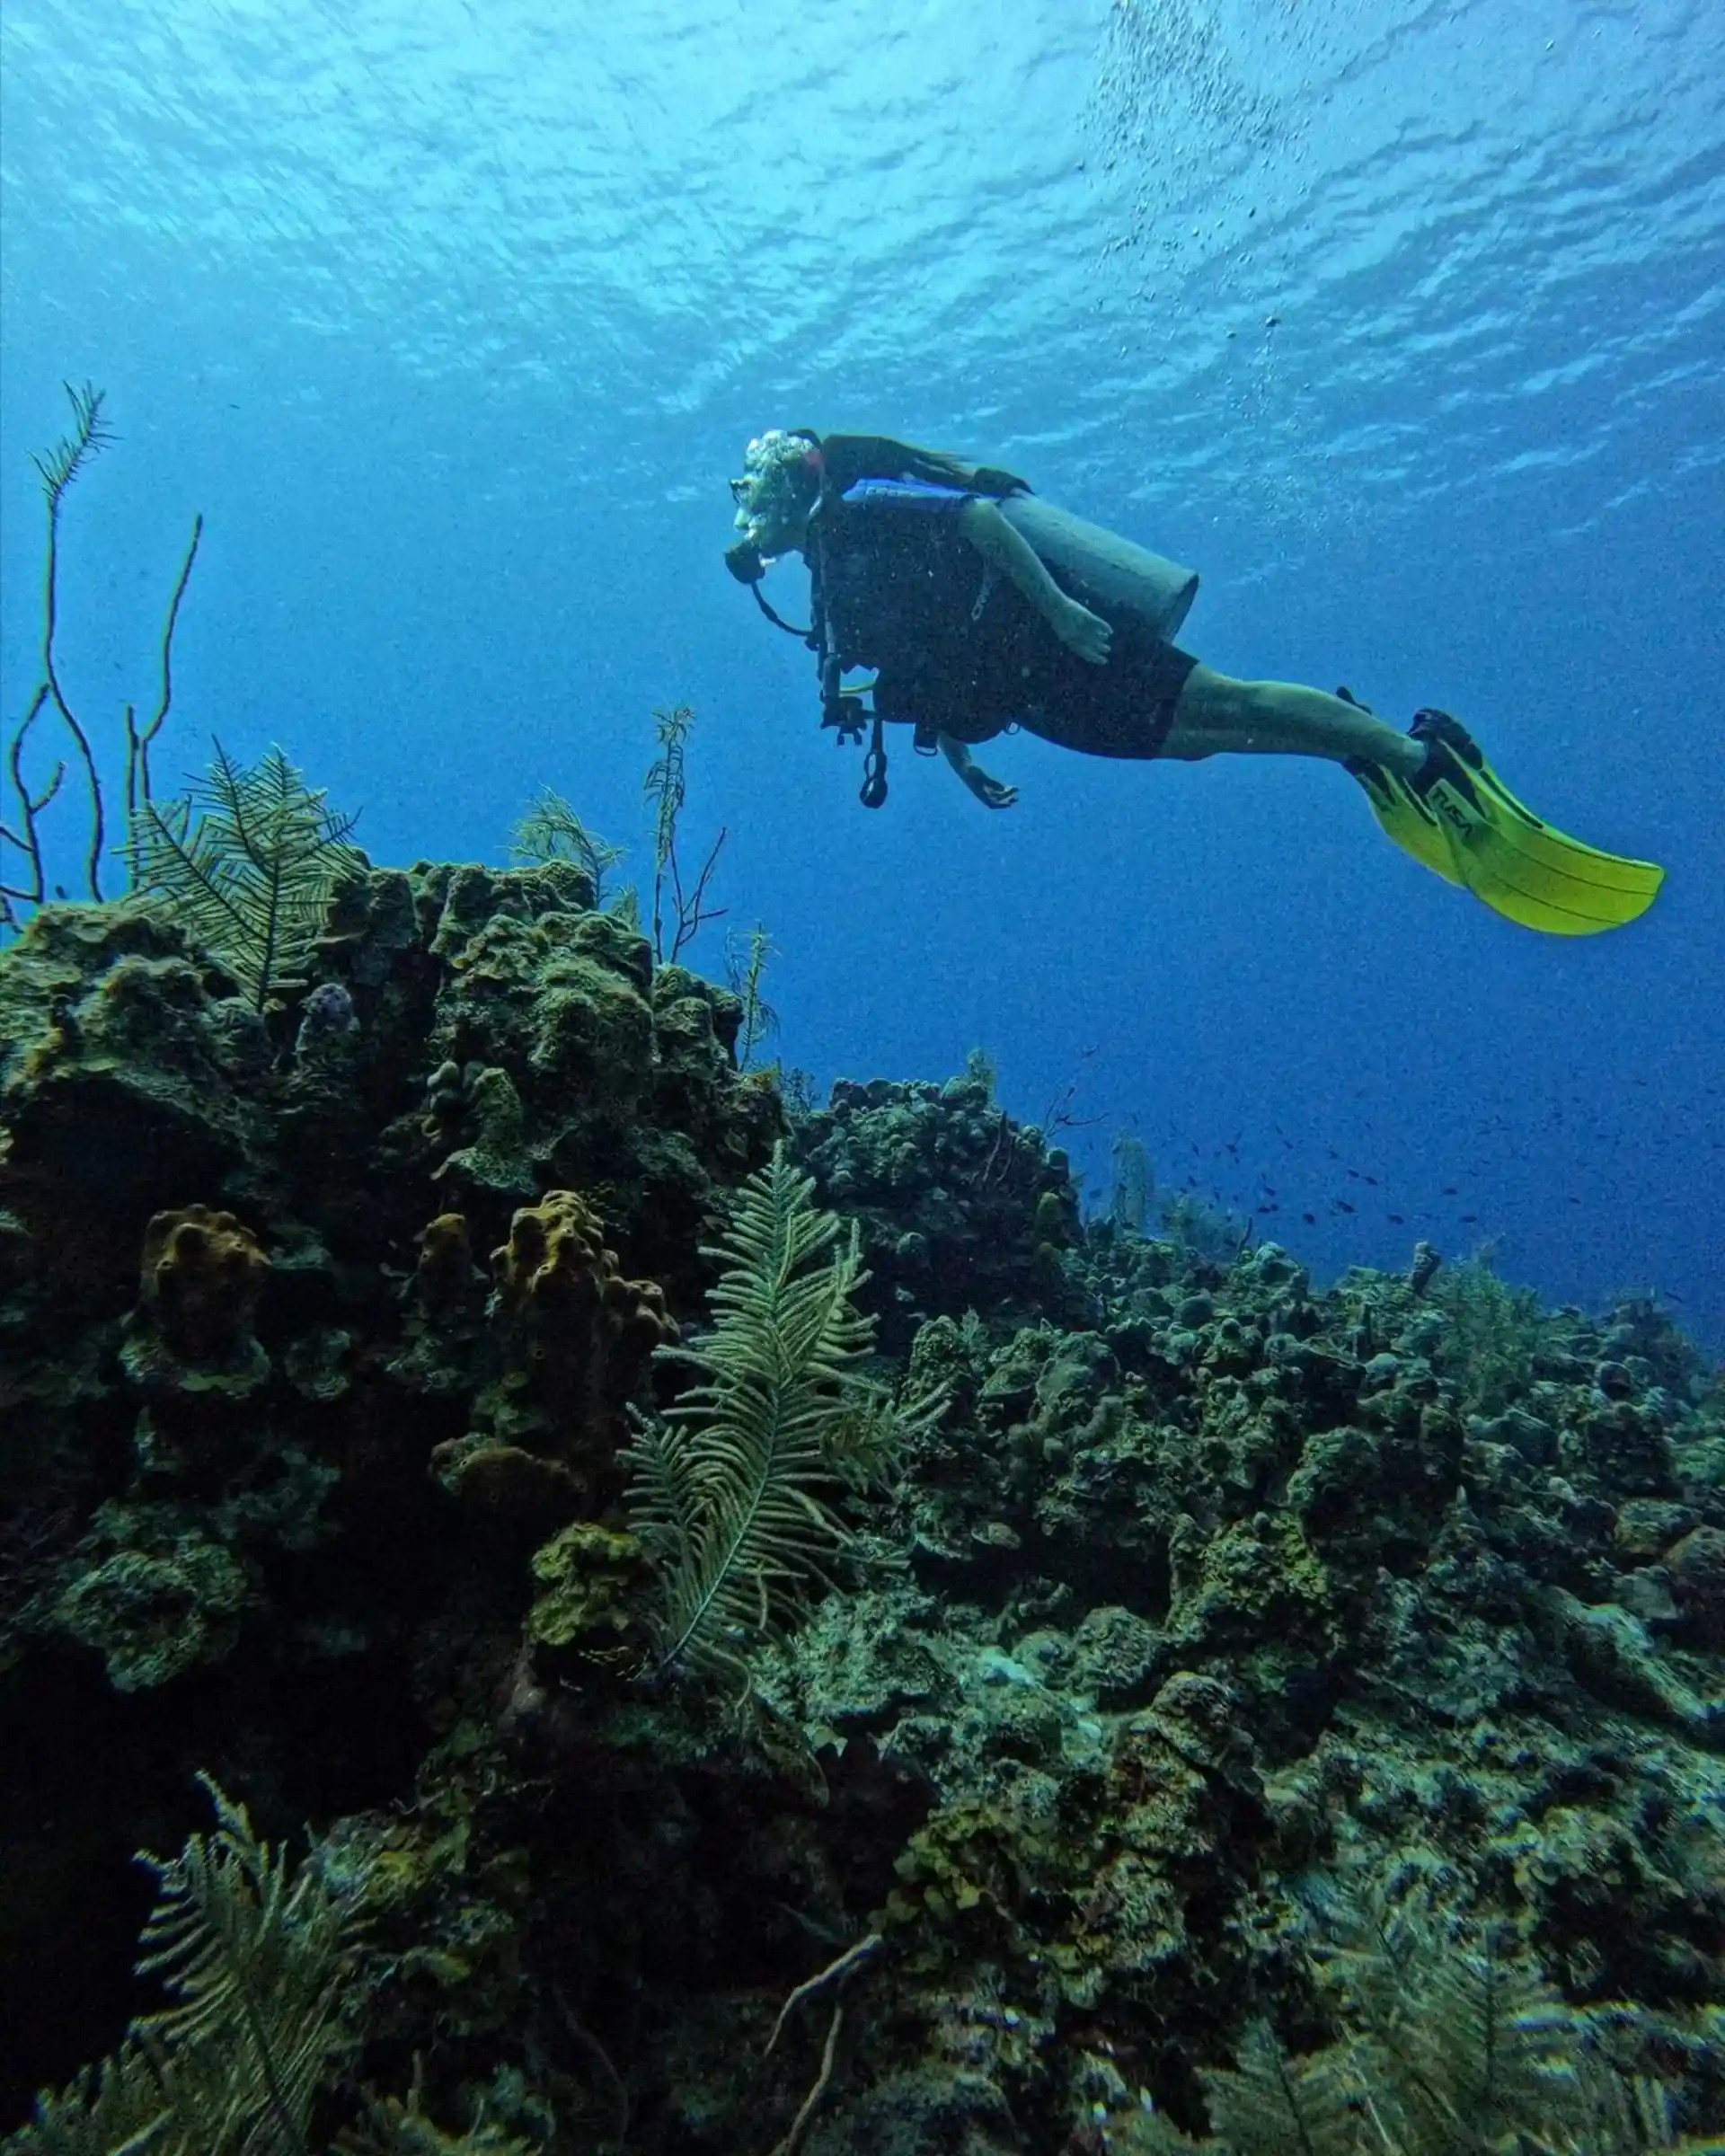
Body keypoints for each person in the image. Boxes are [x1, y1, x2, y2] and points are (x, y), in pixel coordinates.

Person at [724, 429, 1664, 936]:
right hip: (1038, 699)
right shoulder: (833, 582)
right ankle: (1349, 737)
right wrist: (962, 763)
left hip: (1061, 650)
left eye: (753, 497)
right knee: (1201, 739)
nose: (747, 516)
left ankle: (1421, 757)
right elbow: (924, 664)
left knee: (1229, 703)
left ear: (790, 490)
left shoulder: (861, 511)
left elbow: (974, 521)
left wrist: (1059, 611)